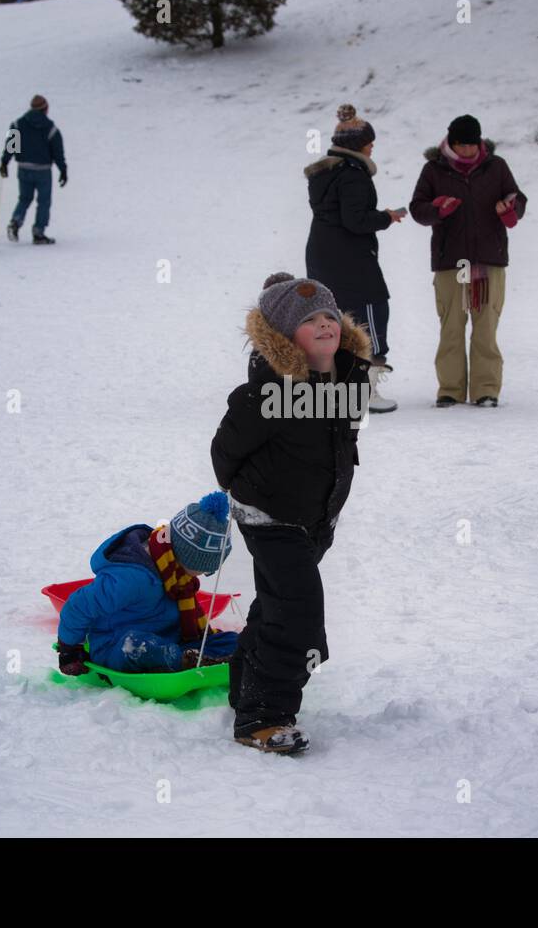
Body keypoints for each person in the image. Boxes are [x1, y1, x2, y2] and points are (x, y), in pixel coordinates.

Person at [211, 273, 372, 754]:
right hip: (269, 516)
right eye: (309, 321)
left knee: (277, 604)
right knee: (299, 613)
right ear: (283, 337)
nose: (325, 326)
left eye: (329, 316)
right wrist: (247, 492)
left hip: (315, 519)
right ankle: (261, 716)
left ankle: (243, 683)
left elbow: (341, 449)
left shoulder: (347, 380)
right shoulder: (263, 396)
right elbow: (225, 454)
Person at [409, 115, 526, 407]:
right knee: (451, 327)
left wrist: (509, 208)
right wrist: (437, 210)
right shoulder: (434, 169)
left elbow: (517, 199)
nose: (469, 151)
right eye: (463, 145)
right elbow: (417, 208)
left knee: (485, 326)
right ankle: (450, 389)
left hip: (488, 260)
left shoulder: (496, 166)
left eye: (473, 145)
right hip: (451, 262)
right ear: (451, 142)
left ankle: (486, 389)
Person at [55, 493, 239, 675]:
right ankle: (187, 661)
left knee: (234, 641)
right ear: (187, 556)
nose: (205, 574)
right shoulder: (132, 578)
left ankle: (198, 657)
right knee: (138, 645)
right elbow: (78, 606)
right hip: (115, 647)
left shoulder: (173, 571)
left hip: (172, 640)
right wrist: (69, 650)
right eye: (204, 569)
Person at [304, 104, 403, 413]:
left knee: (334, 321)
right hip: (351, 260)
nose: (373, 146)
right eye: (369, 142)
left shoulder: (326, 173)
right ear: (357, 145)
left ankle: (336, 390)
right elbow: (355, 220)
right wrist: (386, 217)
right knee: (371, 315)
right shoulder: (353, 176)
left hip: (322, 256)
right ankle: (366, 392)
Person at [0, 94, 67, 245]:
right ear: (46, 109)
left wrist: (4, 163)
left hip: (23, 168)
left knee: (24, 198)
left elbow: (11, 147)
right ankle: (38, 233)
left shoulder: (17, 124)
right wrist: (63, 170)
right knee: (43, 201)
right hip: (43, 171)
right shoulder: (51, 128)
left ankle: (15, 222)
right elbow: (57, 152)